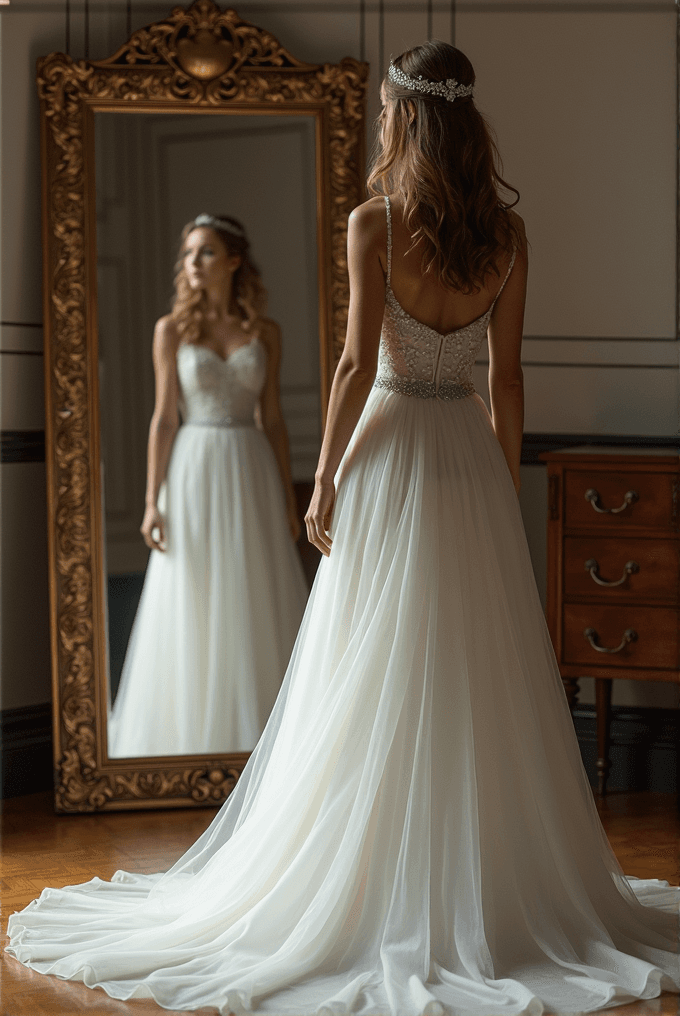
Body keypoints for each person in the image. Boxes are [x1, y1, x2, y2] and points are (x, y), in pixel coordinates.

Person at [7, 43, 679, 1016]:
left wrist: (324, 478)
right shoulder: (506, 234)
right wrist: (499, 478)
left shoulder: (375, 223)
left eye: (379, 113)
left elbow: (355, 368)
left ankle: (369, 872)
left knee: (365, 661)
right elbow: (508, 378)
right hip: (468, 464)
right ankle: (478, 879)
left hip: (394, 446)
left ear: (404, 119)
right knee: (467, 667)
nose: (373, 127)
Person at [107, 213, 308, 756]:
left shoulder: (265, 332)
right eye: (189, 253)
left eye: (205, 252)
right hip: (193, 467)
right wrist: (151, 501)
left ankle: (265, 743)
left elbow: (273, 418)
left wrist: (291, 496)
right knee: (193, 591)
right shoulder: (171, 329)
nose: (192, 263)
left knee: (253, 587)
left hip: (251, 468)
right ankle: (192, 736)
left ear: (235, 260)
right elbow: (163, 419)